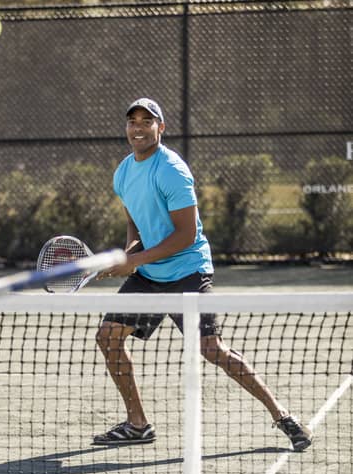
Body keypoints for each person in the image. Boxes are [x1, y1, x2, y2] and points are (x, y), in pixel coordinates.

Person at [93, 97, 311, 452]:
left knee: (211, 349)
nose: (138, 127)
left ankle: (282, 415)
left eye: (146, 122)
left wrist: (132, 263)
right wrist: (130, 251)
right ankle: (137, 425)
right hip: (149, 274)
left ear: (160, 128)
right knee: (108, 337)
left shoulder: (171, 171)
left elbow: (185, 236)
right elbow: (134, 220)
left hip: (187, 271)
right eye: (132, 121)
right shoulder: (123, 172)